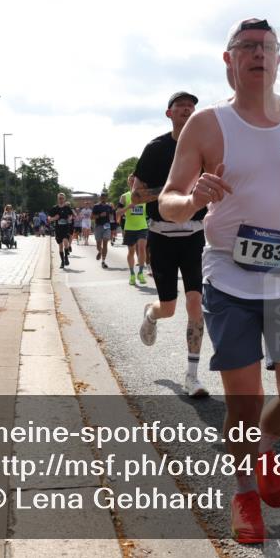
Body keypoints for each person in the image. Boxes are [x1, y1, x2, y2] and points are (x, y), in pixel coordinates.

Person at [159, 18, 280, 544]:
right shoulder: (208, 125)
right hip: (230, 278)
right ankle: (243, 493)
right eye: (247, 47)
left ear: (279, 60)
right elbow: (169, 201)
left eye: (268, 47)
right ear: (229, 59)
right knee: (241, 399)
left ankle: (263, 445)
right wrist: (192, 199)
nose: (258, 54)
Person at [133, 90, 211, 400]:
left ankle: (192, 375)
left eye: (191, 107)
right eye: (180, 107)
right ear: (169, 114)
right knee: (168, 307)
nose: (186, 110)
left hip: (194, 235)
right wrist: (172, 192)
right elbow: (136, 197)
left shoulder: (207, 147)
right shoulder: (156, 148)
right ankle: (151, 315)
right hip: (162, 236)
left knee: (196, 304)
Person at [122, 175, 149, 286]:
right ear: (128, 183)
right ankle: (132, 274)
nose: (133, 182)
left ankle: (141, 273)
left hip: (142, 226)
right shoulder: (124, 197)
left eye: (135, 181)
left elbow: (149, 213)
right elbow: (118, 212)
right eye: (131, 181)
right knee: (131, 252)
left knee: (142, 248)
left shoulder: (145, 196)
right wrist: (128, 207)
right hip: (130, 228)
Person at [48, 193, 75, 269]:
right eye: (60, 198)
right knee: (60, 246)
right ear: (58, 199)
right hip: (58, 228)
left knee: (66, 242)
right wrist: (54, 218)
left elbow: (71, 215)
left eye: (62, 198)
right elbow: (49, 218)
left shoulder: (67, 208)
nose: (61, 200)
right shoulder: (55, 208)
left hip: (66, 227)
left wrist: (69, 218)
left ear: (64, 199)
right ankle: (62, 261)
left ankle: (66, 257)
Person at [91, 192, 115, 268]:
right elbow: (91, 217)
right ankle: (100, 251)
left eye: (105, 196)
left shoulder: (109, 206)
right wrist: (99, 215)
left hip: (107, 226)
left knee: (105, 243)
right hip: (98, 226)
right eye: (102, 196)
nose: (103, 198)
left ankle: (103, 261)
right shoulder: (96, 206)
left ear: (106, 198)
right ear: (100, 197)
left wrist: (112, 217)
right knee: (98, 245)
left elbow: (112, 217)